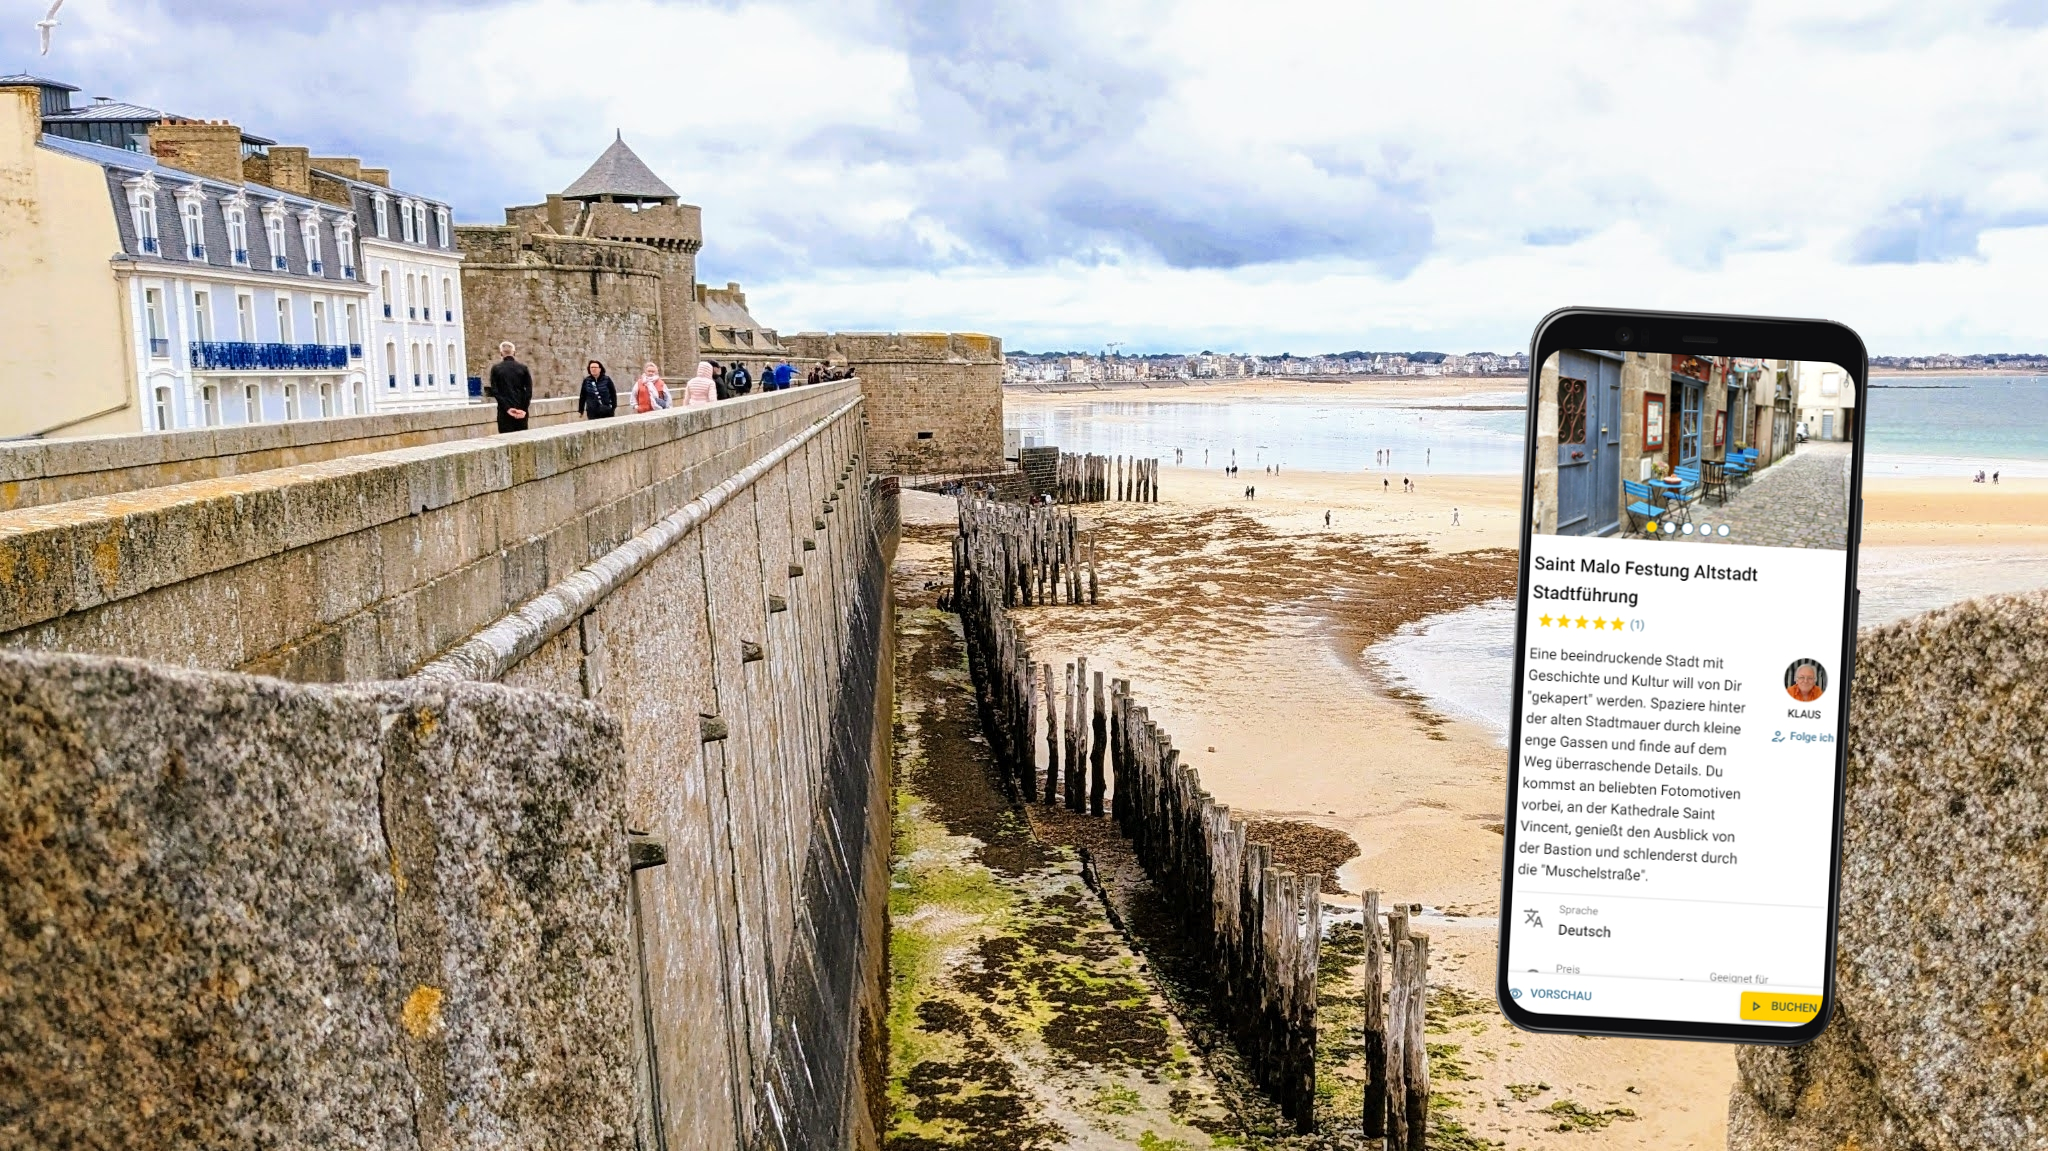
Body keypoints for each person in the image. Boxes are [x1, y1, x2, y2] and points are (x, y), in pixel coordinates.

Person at [488, 341, 532, 433]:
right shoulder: (523, 368)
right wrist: (523, 409)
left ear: (501, 353)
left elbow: (495, 391)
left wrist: (507, 408)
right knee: (522, 437)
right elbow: (528, 391)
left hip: (504, 411)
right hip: (521, 410)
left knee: (506, 437)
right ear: (514, 353)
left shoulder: (496, 369)